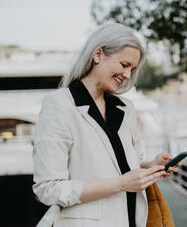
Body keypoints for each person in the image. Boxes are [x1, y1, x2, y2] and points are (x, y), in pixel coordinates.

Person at [32, 23, 177, 227]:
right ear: (98, 54)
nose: (127, 75)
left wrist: (151, 166)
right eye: (124, 65)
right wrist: (120, 185)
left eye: (132, 69)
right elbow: (48, 189)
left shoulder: (126, 108)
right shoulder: (59, 106)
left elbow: (121, 169)